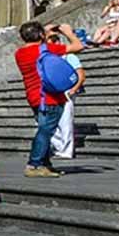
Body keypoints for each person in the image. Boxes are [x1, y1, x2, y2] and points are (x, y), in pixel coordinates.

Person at [14, 21, 84, 178]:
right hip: (49, 98)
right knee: (45, 131)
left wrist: (43, 32)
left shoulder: (20, 53)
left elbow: (39, 45)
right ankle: (34, 164)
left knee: (45, 129)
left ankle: (44, 164)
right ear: (40, 35)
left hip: (34, 97)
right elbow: (78, 46)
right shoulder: (45, 49)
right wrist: (68, 32)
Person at [44, 26, 87, 160]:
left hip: (66, 91)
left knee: (65, 121)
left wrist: (73, 89)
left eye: (54, 39)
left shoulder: (69, 56)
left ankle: (66, 150)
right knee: (52, 122)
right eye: (50, 39)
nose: (51, 42)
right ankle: (58, 147)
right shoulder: (48, 56)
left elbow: (81, 75)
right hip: (51, 91)